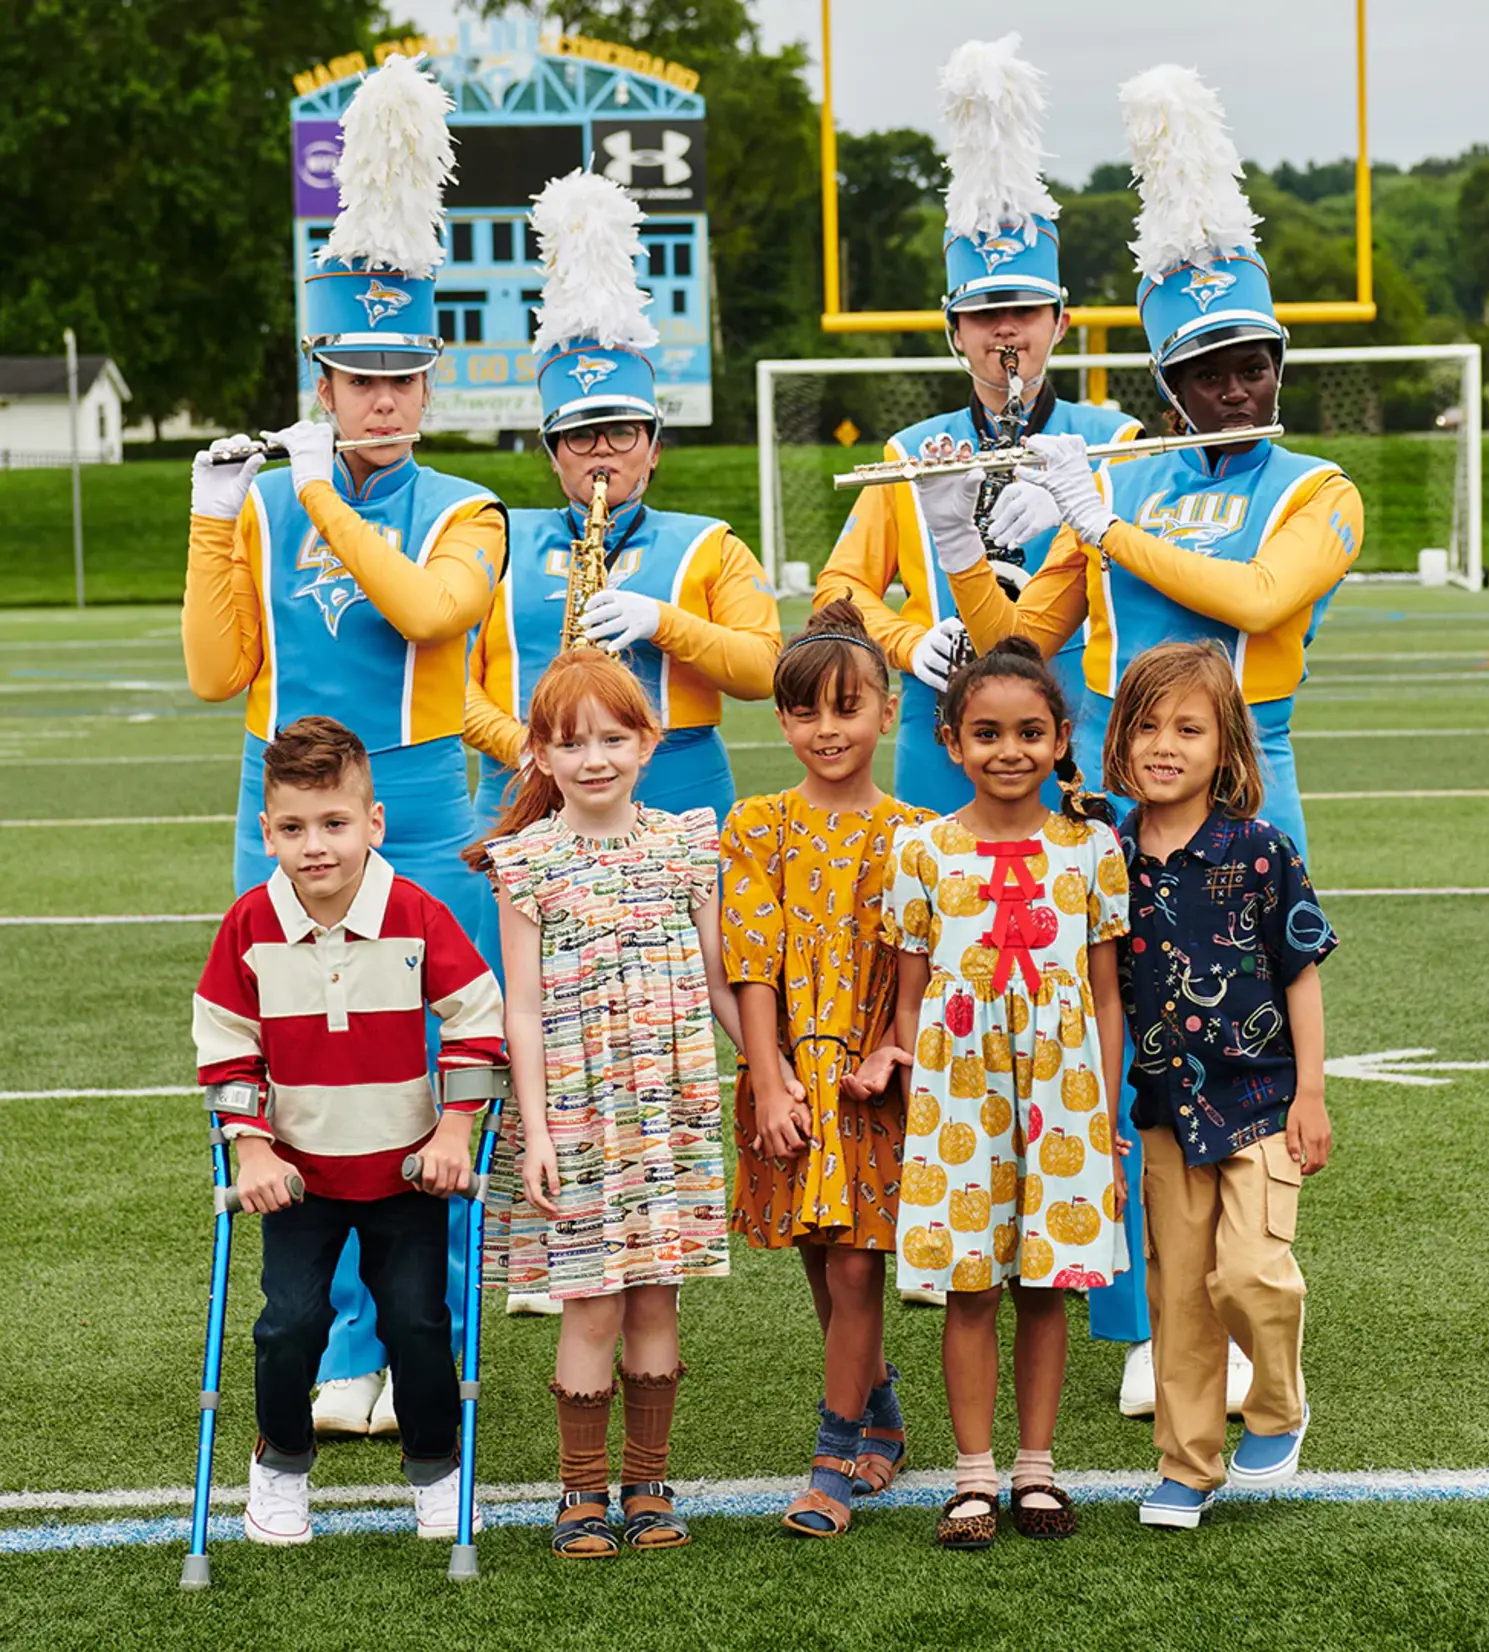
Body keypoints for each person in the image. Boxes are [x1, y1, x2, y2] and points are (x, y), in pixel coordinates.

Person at [935, 63, 1365, 1413]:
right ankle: (1155, 1322)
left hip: (1245, 795)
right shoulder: (1121, 477)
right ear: (1171, 383)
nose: (1236, 386)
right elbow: (1029, 627)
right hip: (1119, 810)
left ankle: (1250, 1308)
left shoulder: (1321, 487)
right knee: (1127, 1068)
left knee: (1245, 1072)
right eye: (1205, 368)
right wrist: (967, 544)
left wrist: (1099, 518)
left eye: (1252, 362)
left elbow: (1257, 600)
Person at [182, 54, 504, 1439]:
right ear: (320, 373)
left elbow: (429, 612)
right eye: (357, 378)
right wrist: (217, 520)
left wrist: (326, 501)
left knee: (432, 1091)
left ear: (429, 384)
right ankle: (343, 1344)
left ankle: (430, 1335)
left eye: (402, 380)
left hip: (424, 818)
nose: (381, 401)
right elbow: (213, 677)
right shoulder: (266, 502)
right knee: (312, 1084)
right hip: (293, 820)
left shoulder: (471, 507)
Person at [191, 717, 505, 1547]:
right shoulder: (250, 926)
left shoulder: (414, 913)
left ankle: (437, 1468)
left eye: (334, 823)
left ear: (374, 823)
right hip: (298, 1176)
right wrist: (251, 1145)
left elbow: (477, 1020)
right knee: (288, 1323)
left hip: (406, 1170)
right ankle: (282, 1464)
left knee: (418, 1323)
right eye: (293, 828)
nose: (315, 846)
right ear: (267, 834)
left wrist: (453, 1130)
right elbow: (225, 1043)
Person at [466, 165, 779, 994]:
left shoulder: (711, 544)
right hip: (522, 790)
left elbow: (763, 672)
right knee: (511, 1000)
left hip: (675, 782)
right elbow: (443, 681)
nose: (602, 451)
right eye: (580, 437)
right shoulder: (492, 538)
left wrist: (662, 622)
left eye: (621, 432)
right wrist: (529, 751)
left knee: (678, 996)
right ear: (552, 451)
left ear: (654, 444)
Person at [816, 34, 1140, 816]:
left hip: (1075, 727)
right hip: (940, 731)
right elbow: (840, 586)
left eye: (1024, 312)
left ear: (1060, 322)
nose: (1006, 333)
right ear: (952, 329)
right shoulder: (907, 449)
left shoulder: (1120, 440)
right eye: (984, 314)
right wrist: (905, 641)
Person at [465, 648, 739, 1557]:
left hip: (673, 1109)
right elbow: (525, 1008)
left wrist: (769, 1075)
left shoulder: (688, 845)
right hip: (580, 1115)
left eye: (613, 738)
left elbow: (719, 978)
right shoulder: (526, 864)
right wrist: (537, 1132)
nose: (594, 759)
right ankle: (581, 1495)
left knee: (657, 1301)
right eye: (570, 742)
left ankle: (648, 1487)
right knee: (589, 1303)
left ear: (649, 742)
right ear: (537, 754)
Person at [886, 637, 1131, 1547]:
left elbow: (1106, 995)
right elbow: (908, 1003)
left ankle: (1037, 1470)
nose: (1009, 751)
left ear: (1062, 739)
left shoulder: (1093, 850)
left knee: (1045, 1286)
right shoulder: (921, 852)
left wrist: (1102, 1112)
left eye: (1030, 733)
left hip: (1064, 1097)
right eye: (985, 734)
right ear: (952, 741)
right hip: (958, 1098)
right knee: (970, 1287)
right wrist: (915, 1097)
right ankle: (973, 1477)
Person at [1099, 642, 1335, 1529]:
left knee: (1249, 1275)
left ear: (1226, 747)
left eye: (1189, 728)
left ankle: (1277, 1409)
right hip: (1162, 1113)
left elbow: (1301, 970)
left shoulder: (1262, 850)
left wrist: (1310, 1094)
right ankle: (1186, 1466)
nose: (1166, 744)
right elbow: (1101, 995)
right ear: (1123, 741)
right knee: (1180, 1300)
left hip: (1260, 1103)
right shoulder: (1109, 860)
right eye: (1149, 726)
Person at [719, 599, 930, 1538]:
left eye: (848, 709)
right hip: (791, 1075)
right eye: (807, 714)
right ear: (783, 723)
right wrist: (767, 1077)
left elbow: (927, 966)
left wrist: (896, 1050)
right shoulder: (757, 822)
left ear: (886, 712)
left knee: (856, 1268)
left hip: (874, 1086)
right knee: (817, 1254)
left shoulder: (920, 833)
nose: (827, 730)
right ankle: (878, 1407)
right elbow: (751, 961)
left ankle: (831, 1457)